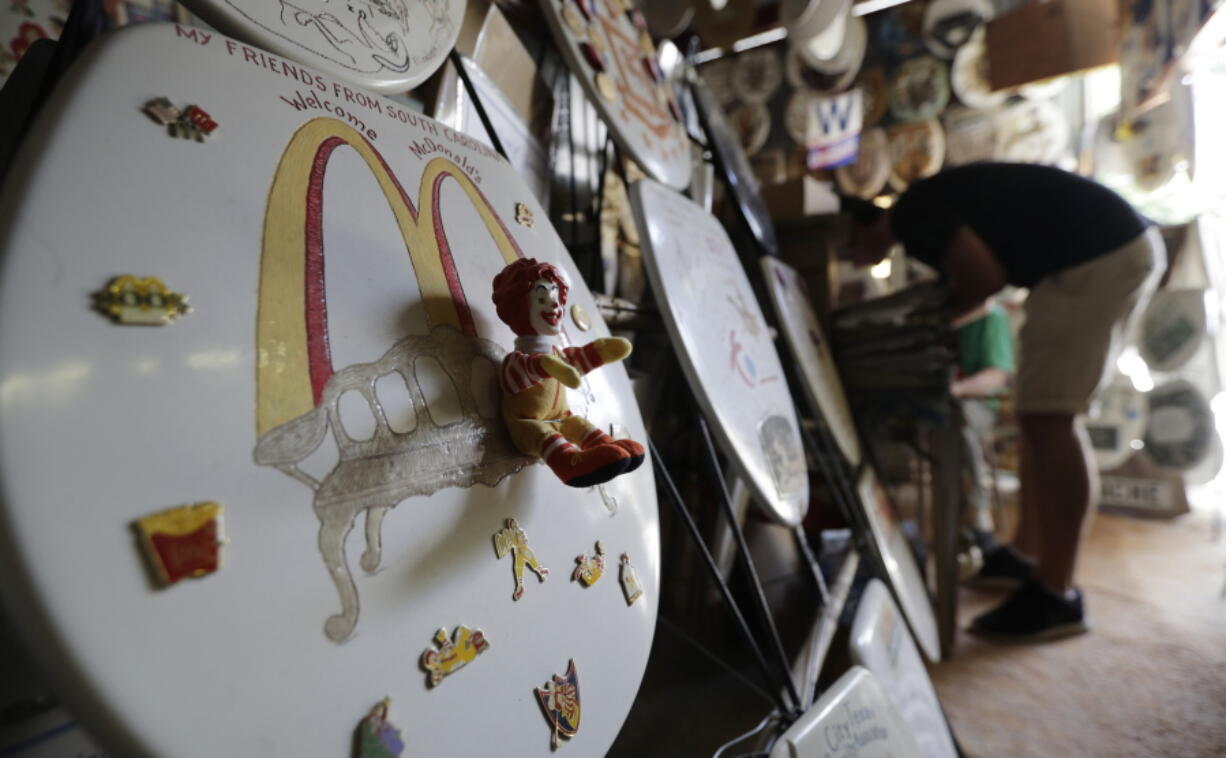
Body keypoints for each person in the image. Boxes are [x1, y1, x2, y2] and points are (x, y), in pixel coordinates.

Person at [844, 162, 1165, 643]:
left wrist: (919, 329)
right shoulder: (921, 210)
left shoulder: (913, 217)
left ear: (858, 224)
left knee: (1053, 421)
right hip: (1107, 250)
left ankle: (1057, 594)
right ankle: (1028, 556)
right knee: (1039, 417)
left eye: (845, 243)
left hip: (1097, 257)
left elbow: (985, 280)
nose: (847, 255)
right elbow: (983, 280)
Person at [952, 301, 1014, 554]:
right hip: (937, 404)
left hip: (976, 404)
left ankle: (979, 518)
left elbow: (997, 375)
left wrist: (958, 389)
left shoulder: (991, 317)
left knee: (959, 421)